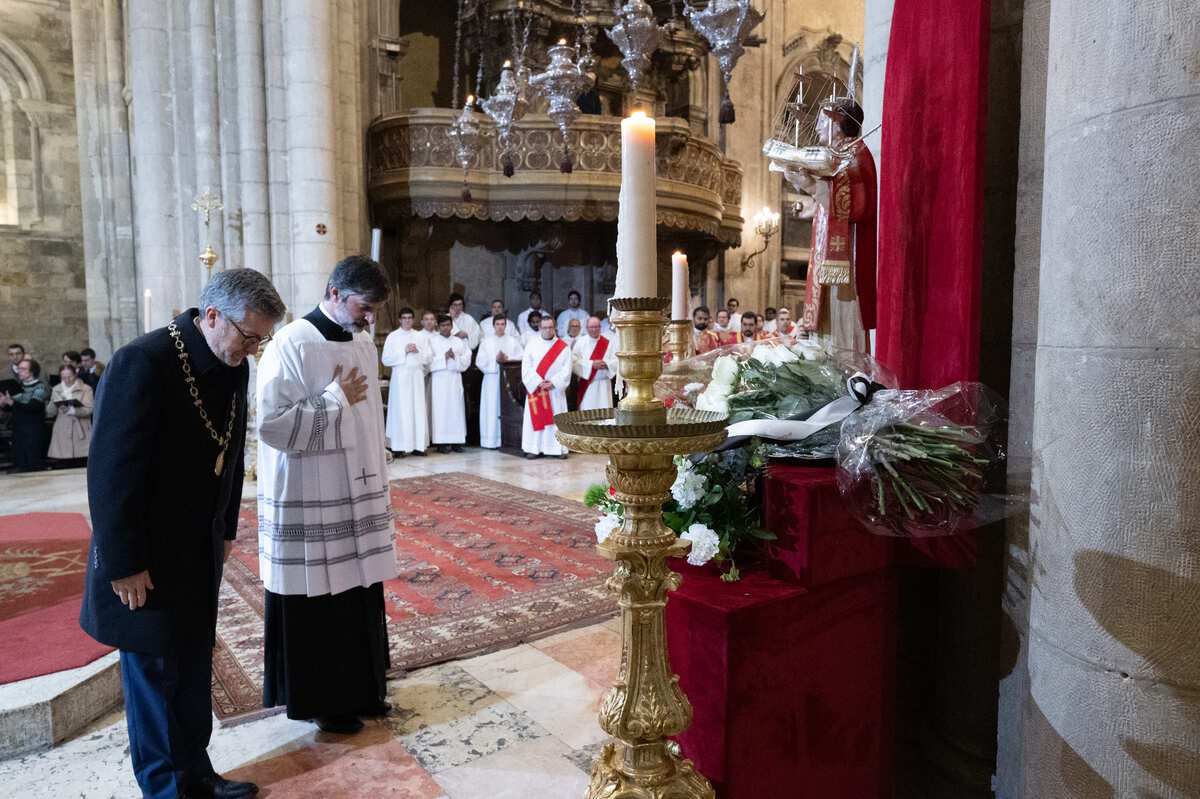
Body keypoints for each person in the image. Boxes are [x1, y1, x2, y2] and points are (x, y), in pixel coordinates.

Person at [79, 268, 283, 799]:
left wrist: (226, 526)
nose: (254, 351)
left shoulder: (229, 361)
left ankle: (198, 773)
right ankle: (167, 788)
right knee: (154, 675)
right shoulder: (141, 361)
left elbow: (233, 453)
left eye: (263, 340)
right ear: (211, 315)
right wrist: (122, 561)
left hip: (199, 547)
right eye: (249, 337)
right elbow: (110, 473)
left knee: (192, 667)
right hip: (144, 556)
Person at [256, 255, 394, 737]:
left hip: (357, 484)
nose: (370, 318)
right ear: (335, 292)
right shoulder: (290, 344)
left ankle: (364, 689)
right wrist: (335, 400)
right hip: (312, 493)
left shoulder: (361, 343)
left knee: (359, 590)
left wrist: (380, 452)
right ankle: (323, 700)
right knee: (321, 598)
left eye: (375, 309)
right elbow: (272, 426)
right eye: (364, 306)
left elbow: (368, 414)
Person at [789, 97, 878, 336]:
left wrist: (808, 185)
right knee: (826, 328)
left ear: (837, 124)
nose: (817, 127)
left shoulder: (855, 156)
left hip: (847, 261)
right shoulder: (839, 155)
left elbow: (854, 207)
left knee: (842, 329)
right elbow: (829, 205)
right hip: (826, 260)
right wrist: (809, 205)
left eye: (821, 121)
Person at [381, 307, 430, 457]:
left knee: (417, 409)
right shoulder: (393, 336)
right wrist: (404, 351)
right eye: (404, 318)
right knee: (401, 410)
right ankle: (399, 446)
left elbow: (428, 358)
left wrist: (418, 352)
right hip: (400, 378)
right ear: (399, 320)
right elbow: (385, 359)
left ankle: (418, 446)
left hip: (416, 377)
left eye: (410, 318)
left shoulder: (420, 336)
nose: (407, 320)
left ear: (413, 319)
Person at [521, 316, 570, 459]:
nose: (548, 330)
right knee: (536, 419)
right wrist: (538, 382)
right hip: (537, 390)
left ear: (554, 328)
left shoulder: (563, 347)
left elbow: (566, 369)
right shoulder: (532, 344)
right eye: (545, 327)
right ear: (540, 328)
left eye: (550, 327)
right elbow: (526, 367)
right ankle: (534, 449)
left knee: (556, 419)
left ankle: (558, 449)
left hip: (555, 390)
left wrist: (553, 382)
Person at [475, 316, 523, 449]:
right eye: (498, 324)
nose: (500, 326)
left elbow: (521, 357)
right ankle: (491, 441)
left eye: (503, 324)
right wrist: (495, 361)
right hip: (491, 380)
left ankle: (506, 439)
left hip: (508, 380)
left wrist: (508, 359)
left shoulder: (513, 341)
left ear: (506, 326)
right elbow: (479, 361)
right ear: (493, 325)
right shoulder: (486, 342)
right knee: (491, 409)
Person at [428, 313, 471, 453]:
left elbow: (466, 360)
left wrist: (455, 357)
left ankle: (457, 442)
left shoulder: (458, 342)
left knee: (456, 410)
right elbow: (428, 362)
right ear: (438, 327)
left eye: (448, 325)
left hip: (454, 378)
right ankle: (441, 443)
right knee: (441, 411)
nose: (446, 328)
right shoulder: (432, 341)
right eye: (443, 325)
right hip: (439, 380)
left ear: (452, 326)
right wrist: (443, 357)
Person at [0, 357, 50, 472]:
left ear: (31, 371)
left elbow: (33, 407)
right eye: (18, 369)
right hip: (19, 426)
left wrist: (12, 403)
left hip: (33, 427)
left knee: (32, 458)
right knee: (19, 452)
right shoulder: (18, 386)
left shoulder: (40, 386)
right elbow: (13, 407)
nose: (19, 371)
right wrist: (3, 403)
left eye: (23, 369)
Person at [46, 363, 94, 466]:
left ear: (75, 374)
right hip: (62, 430)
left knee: (83, 462)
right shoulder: (56, 389)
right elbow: (50, 413)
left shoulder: (86, 389)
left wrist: (73, 411)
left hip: (81, 429)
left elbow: (89, 409)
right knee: (64, 463)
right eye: (64, 377)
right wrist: (54, 402)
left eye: (70, 376)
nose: (67, 380)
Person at [573, 316, 616, 411]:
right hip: (588, 385)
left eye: (596, 327)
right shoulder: (581, 342)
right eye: (591, 327)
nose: (594, 329)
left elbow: (616, 360)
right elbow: (574, 361)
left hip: (604, 385)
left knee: (604, 412)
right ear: (587, 328)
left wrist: (606, 364)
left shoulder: (608, 342)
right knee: (588, 412)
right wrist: (591, 364)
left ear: (600, 327)